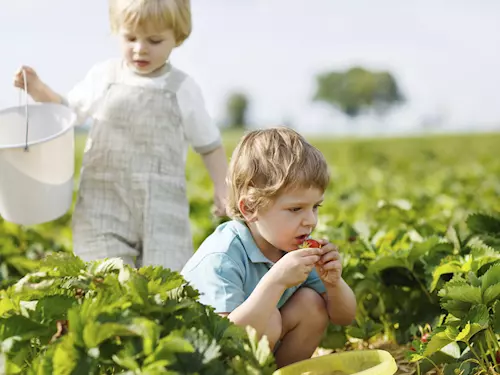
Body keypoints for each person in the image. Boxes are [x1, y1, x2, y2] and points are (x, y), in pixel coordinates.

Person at [13, 0, 228, 271]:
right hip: (103, 204)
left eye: (154, 40)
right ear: (117, 31)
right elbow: (67, 111)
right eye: (130, 37)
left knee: (163, 284)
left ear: (178, 37)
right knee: (106, 277)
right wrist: (37, 89)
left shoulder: (182, 88)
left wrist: (222, 188)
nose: (140, 48)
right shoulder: (105, 77)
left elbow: (209, 144)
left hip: (162, 211)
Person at [181, 127, 357, 368]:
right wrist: (276, 281)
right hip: (205, 362)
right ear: (250, 209)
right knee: (269, 318)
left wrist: (333, 283)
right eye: (296, 209)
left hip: (253, 354)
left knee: (312, 305)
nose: (311, 221)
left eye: (315, 207)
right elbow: (224, 338)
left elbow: (345, 317)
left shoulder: (292, 246)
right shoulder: (223, 256)